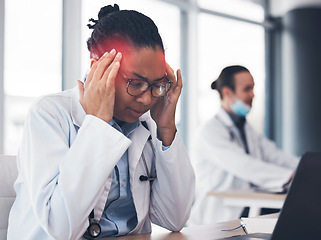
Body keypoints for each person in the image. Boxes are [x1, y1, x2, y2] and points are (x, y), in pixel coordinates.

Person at [7, 4, 195, 239]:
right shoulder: (49, 114)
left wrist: (166, 129)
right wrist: (96, 124)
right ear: (99, 68)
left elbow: (174, 218)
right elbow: (60, 228)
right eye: (135, 83)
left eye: (157, 84)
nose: (147, 98)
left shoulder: (148, 124)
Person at [189, 65, 299, 225]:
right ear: (227, 92)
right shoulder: (209, 131)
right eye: (247, 89)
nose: (253, 94)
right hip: (216, 217)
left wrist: (304, 167)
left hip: (244, 210)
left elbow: (275, 156)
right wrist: (289, 176)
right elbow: (245, 166)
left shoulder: (247, 129)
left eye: (253, 88)